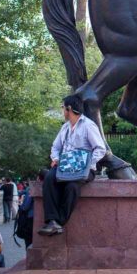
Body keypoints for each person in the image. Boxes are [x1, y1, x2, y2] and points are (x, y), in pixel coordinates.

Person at [39, 96, 107, 237]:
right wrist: (56, 159)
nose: (62, 110)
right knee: (50, 177)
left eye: (63, 107)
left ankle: (59, 223)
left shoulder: (89, 125)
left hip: (86, 169)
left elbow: (100, 149)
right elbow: (55, 147)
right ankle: (51, 221)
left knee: (72, 187)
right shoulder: (65, 127)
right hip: (65, 166)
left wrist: (85, 163)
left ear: (69, 108)